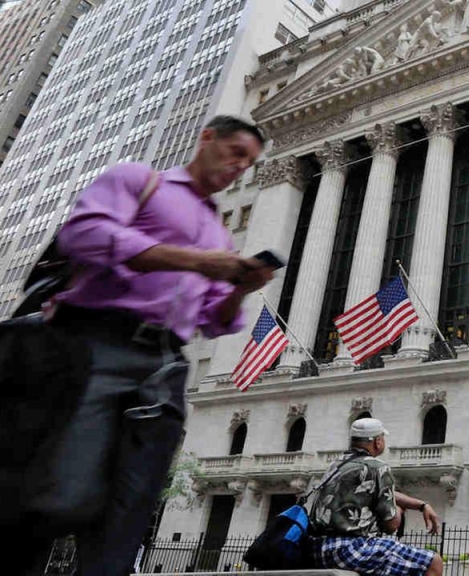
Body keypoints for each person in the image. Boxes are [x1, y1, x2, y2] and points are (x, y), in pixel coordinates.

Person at [30, 115, 274, 576]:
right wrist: (194, 260)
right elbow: (83, 235)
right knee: (59, 485)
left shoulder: (219, 233)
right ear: (208, 139)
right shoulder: (138, 181)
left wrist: (241, 286)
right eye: (236, 153)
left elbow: (216, 322)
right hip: (94, 342)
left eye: (250, 163)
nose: (241, 167)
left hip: (164, 366)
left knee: (130, 503)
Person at [310, 418, 444, 576]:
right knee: (433, 562)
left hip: (318, 548)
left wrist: (421, 505)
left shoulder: (337, 465)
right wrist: (398, 511)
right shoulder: (377, 467)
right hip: (348, 549)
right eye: (383, 438)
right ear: (377, 442)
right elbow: (391, 526)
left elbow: (385, 493)